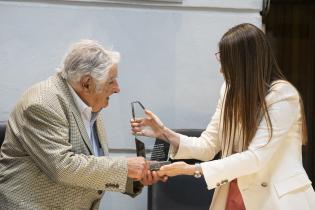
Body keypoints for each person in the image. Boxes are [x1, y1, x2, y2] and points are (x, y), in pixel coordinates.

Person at [131, 23, 315, 210]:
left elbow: (256, 158)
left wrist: (194, 169)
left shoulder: (283, 96)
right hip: (234, 195)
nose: (221, 70)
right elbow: (208, 145)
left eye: (226, 62)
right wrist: (163, 134)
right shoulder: (228, 91)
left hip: (278, 201)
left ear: (245, 63)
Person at [0, 39, 163, 210]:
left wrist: (135, 177)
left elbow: (91, 168)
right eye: (111, 81)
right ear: (86, 83)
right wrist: (124, 167)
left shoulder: (88, 104)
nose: (117, 88)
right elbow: (63, 167)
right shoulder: (42, 104)